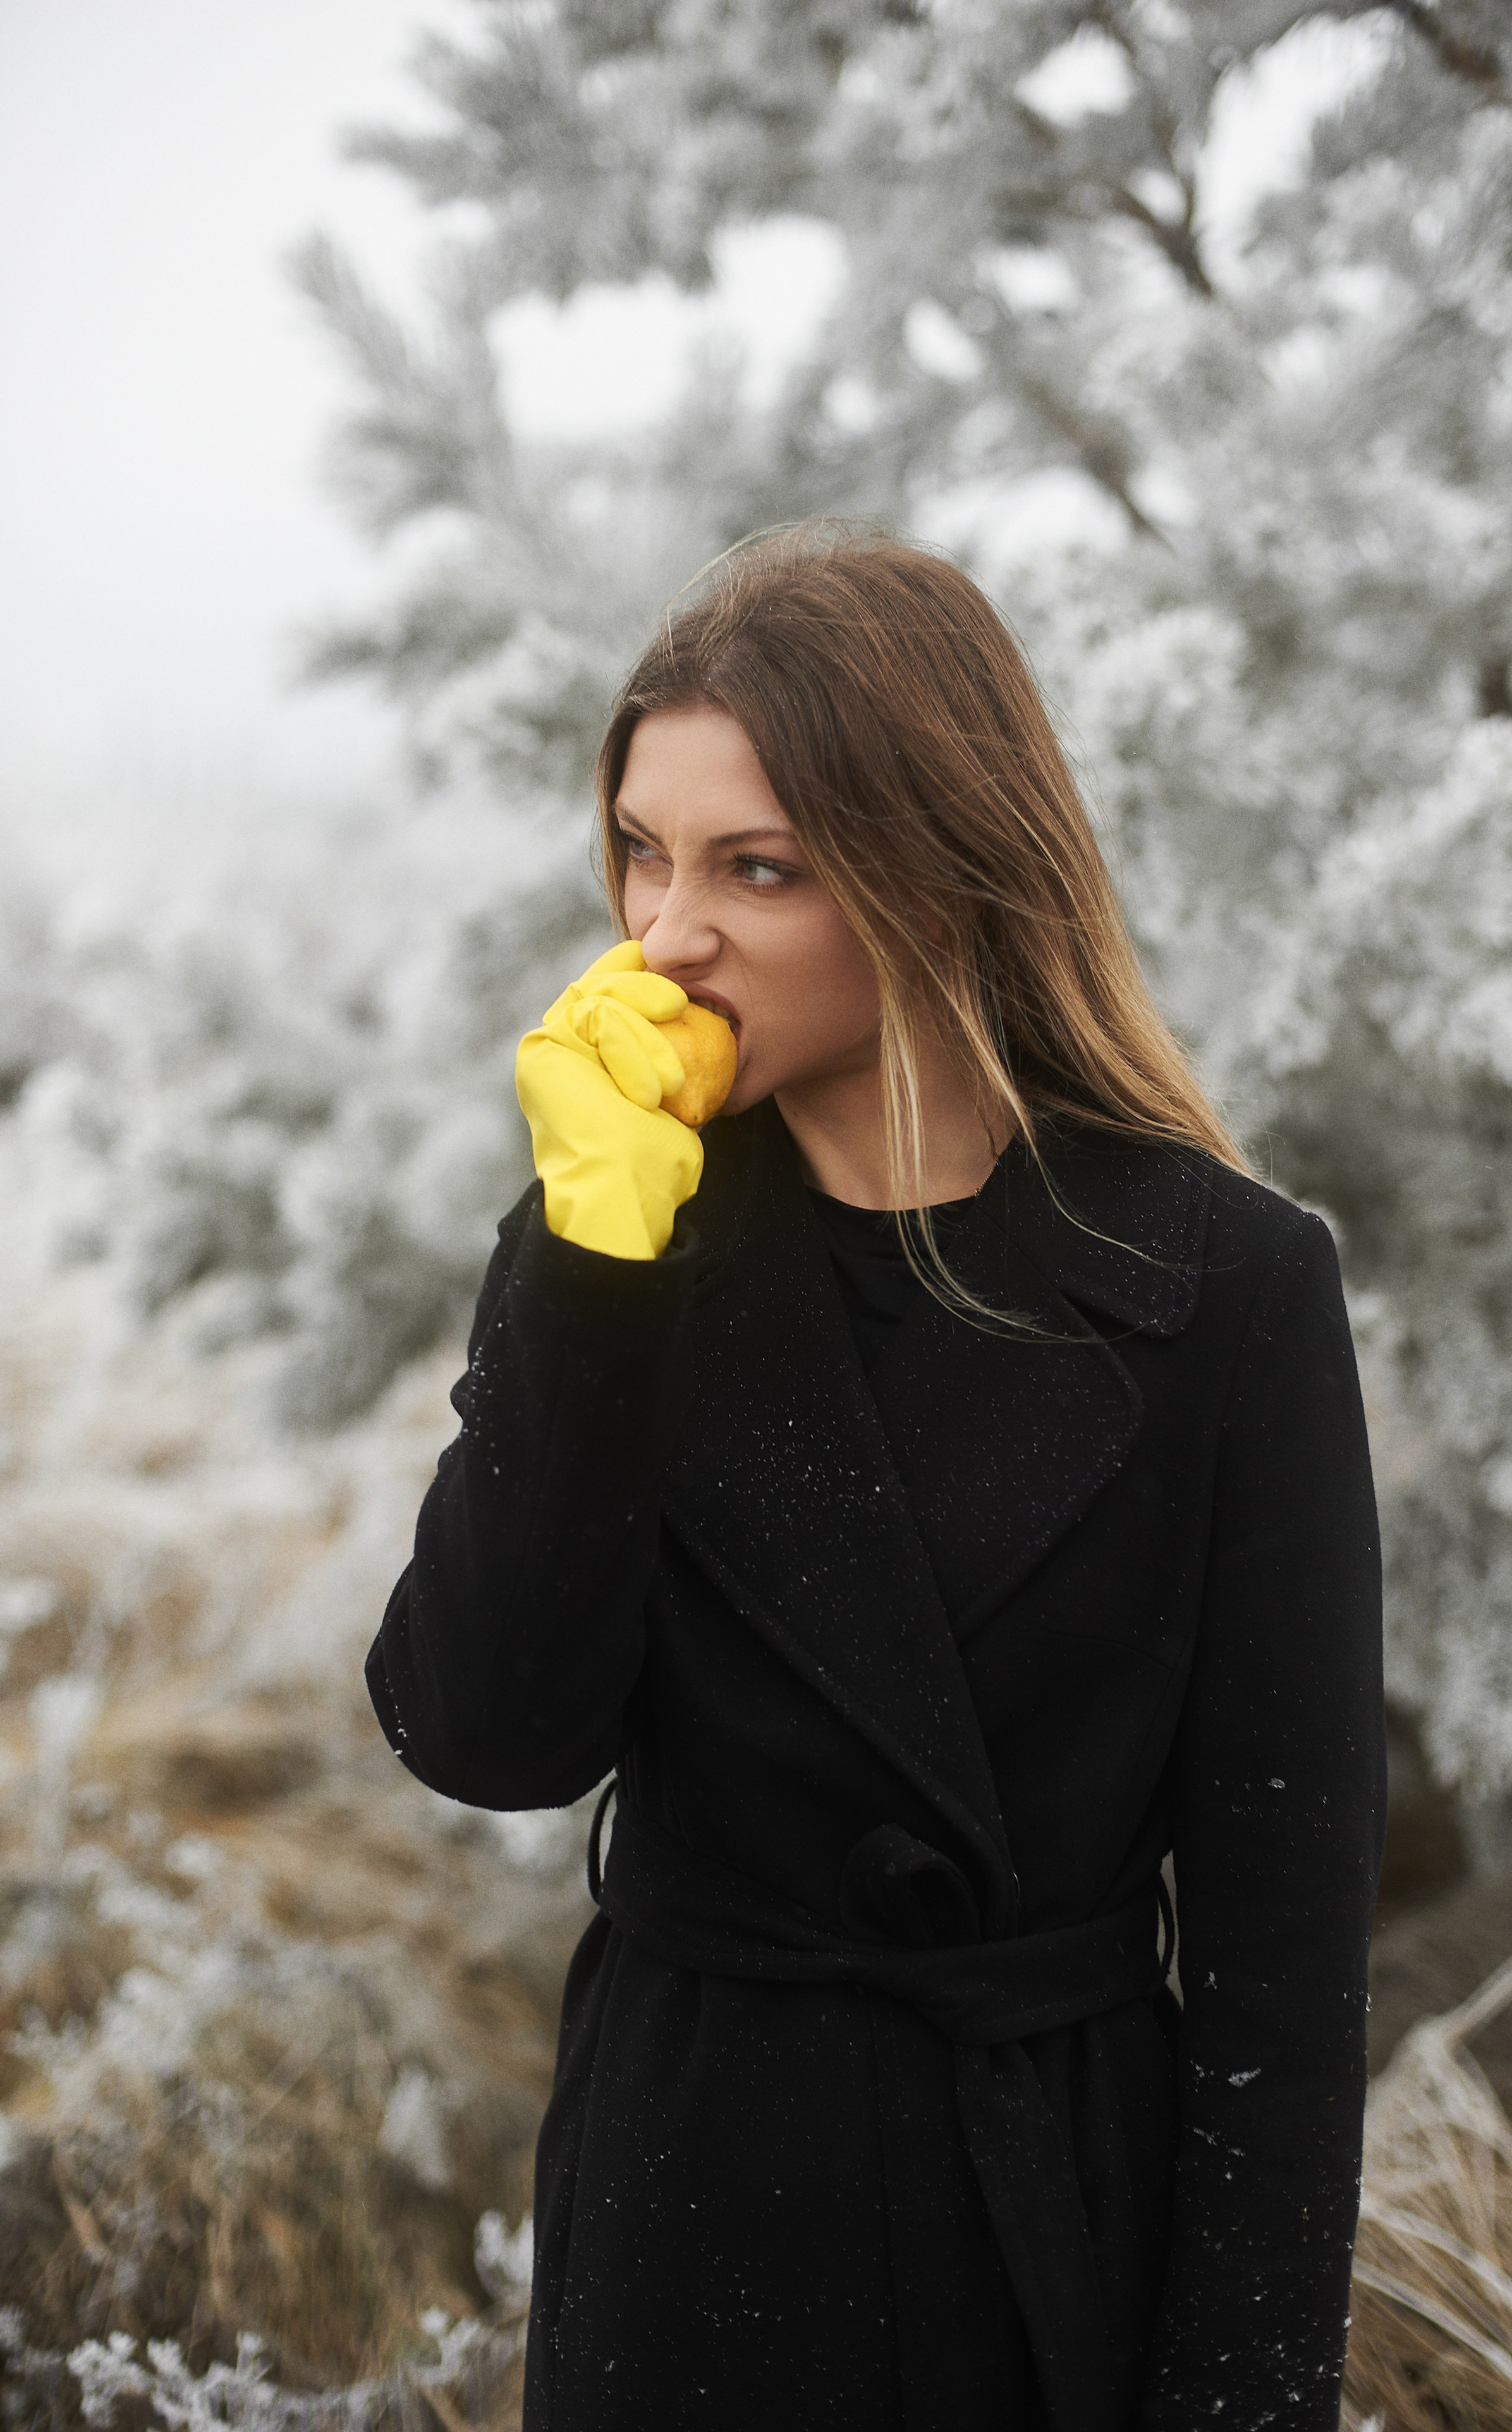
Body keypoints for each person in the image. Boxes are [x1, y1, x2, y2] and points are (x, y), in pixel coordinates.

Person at [367, 523, 1386, 2432]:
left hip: (1053, 2233)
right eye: (643, 853)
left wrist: (1244, 2403)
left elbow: (1283, 1967)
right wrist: (596, 1266)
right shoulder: (613, 1231)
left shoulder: (1230, 1286)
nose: (666, 936)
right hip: (691, 2220)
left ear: (940, 874)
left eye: (756, 868)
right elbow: (486, 1735)